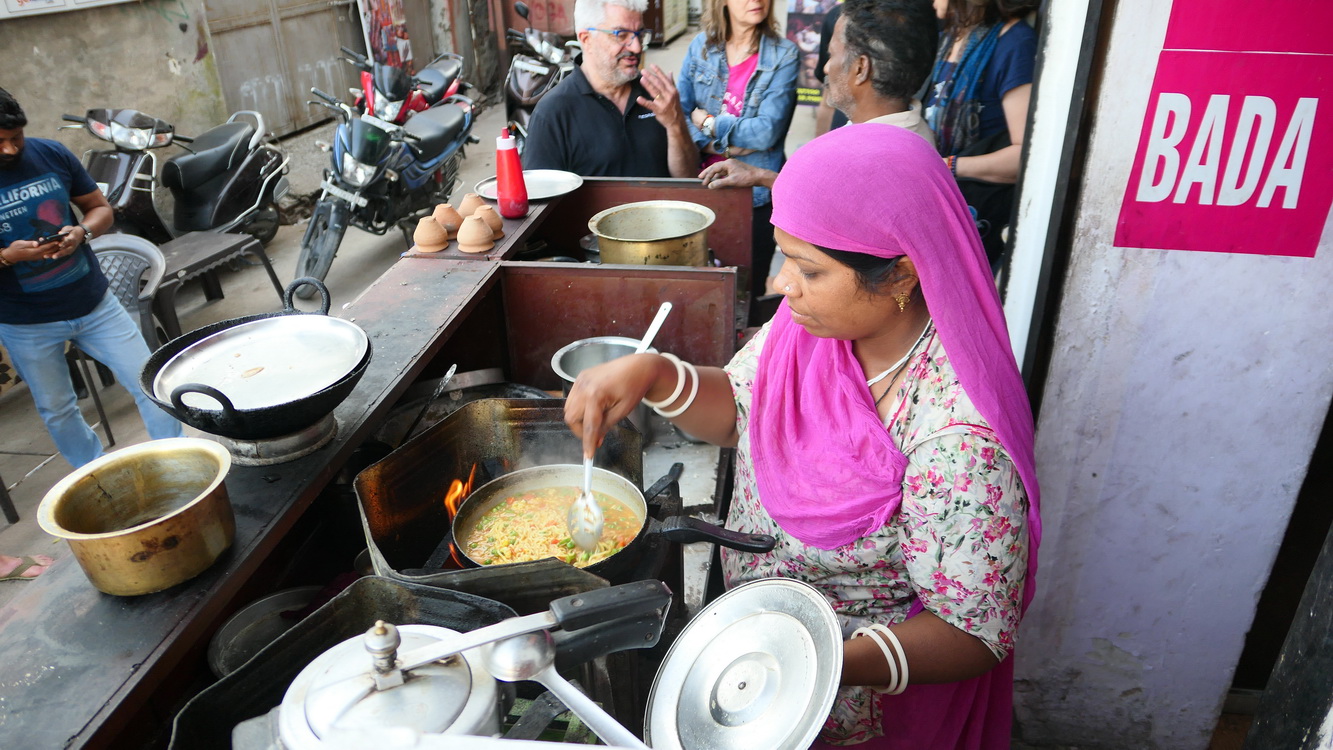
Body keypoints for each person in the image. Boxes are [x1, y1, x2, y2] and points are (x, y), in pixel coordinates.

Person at [565, 124, 1040, 748]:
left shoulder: (959, 443)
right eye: (785, 255)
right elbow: (744, 410)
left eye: (809, 269)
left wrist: (816, 664)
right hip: (759, 658)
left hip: (851, 709)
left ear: (899, 276)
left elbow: (971, 632)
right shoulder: (814, 329)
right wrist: (655, 374)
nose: (783, 285)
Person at [700, 0, 938, 295]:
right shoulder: (894, 132)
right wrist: (760, 176)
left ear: (861, 68)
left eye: (831, 54)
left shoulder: (875, 160)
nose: (825, 68)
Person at [0, 88, 183, 469]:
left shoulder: (50, 153)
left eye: (15, 138)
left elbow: (99, 209)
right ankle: (97, 477)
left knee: (151, 381)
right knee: (58, 410)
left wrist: (81, 232)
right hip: (25, 322)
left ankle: (177, 462)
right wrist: (8, 256)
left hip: (94, 303)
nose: (10, 150)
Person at [677, 0, 798, 304]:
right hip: (699, 184)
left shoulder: (784, 54)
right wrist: (727, 140)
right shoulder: (701, 47)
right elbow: (679, 112)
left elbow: (766, 132)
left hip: (753, 196)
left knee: (747, 289)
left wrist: (707, 122)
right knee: (697, 285)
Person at [522, 0, 699, 178]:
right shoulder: (553, 113)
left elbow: (688, 180)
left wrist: (675, 126)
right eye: (621, 35)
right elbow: (542, 200)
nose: (637, 46)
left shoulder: (658, 96)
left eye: (639, 34)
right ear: (586, 39)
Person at [924, 0, 1039, 267]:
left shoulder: (1015, 43)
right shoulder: (949, 38)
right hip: (937, 205)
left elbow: (1026, 156)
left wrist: (949, 166)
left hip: (974, 215)